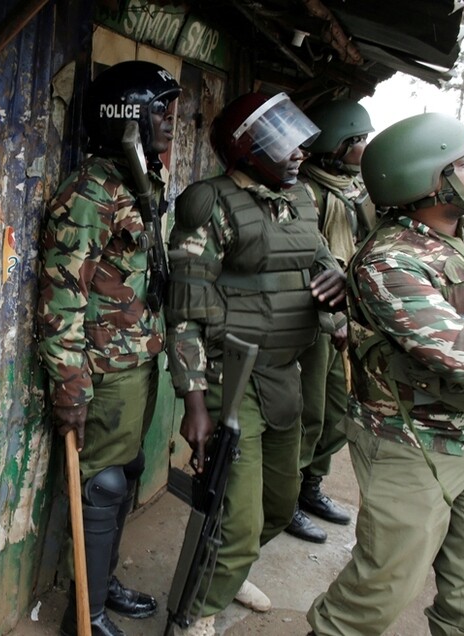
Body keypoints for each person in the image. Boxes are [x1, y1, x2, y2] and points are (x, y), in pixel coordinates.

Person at [307, 113, 464, 635]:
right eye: (462, 163)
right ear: (429, 181)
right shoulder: (387, 262)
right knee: (381, 590)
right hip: (410, 444)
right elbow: (460, 353)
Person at [165, 92, 346, 636]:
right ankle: (195, 615)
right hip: (230, 379)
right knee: (237, 520)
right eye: (280, 142)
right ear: (245, 152)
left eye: (296, 139)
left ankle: (232, 568)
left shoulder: (303, 201)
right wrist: (194, 402)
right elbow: (185, 313)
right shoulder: (209, 203)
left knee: (278, 504)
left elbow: (318, 266)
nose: (297, 153)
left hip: (285, 376)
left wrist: (339, 286)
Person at [37, 60, 180, 636]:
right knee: (102, 484)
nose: (170, 122)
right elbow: (60, 296)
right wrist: (69, 384)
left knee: (127, 470)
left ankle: (101, 582)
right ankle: (87, 612)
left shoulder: (138, 181)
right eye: (159, 113)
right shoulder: (90, 191)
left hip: (138, 360)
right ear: (125, 116)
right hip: (102, 369)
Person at [285, 99, 375, 543]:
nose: (364, 148)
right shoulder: (308, 192)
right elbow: (308, 259)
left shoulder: (356, 189)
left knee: (339, 411)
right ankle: (285, 501)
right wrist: (331, 318)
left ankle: (311, 488)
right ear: (336, 147)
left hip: (349, 314)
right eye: (357, 140)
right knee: (310, 412)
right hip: (315, 318)